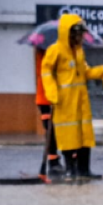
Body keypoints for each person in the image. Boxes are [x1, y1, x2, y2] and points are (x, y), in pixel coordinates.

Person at [41, 14, 103, 179]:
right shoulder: (55, 51)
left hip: (81, 102)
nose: (81, 38)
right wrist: (52, 93)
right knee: (68, 137)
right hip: (65, 102)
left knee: (85, 137)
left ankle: (84, 170)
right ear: (69, 33)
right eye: (78, 35)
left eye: (82, 35)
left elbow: (85, 72)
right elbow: (46, 71)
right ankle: (71, 170)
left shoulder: (79, 52)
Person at [35, 48, 64, 176]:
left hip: (57, 97)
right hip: (45, 98)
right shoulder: (43, 55)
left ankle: (58, 160)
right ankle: (53, 161)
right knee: (50, 130)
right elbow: (44, 73)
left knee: (58, 130)